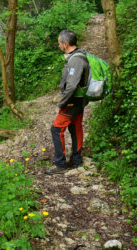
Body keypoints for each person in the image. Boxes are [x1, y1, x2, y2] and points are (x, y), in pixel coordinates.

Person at [45, 30, 89, 175]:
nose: (58, 46)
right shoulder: (78, 56)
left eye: (59, 43)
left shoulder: (76, 60)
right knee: (75, 128)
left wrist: (61, 103)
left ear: (65, 44)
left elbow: (71, 86)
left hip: (72, 101)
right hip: (78, 100)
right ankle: (76, 161)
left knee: (56, 129)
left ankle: (60, 164)